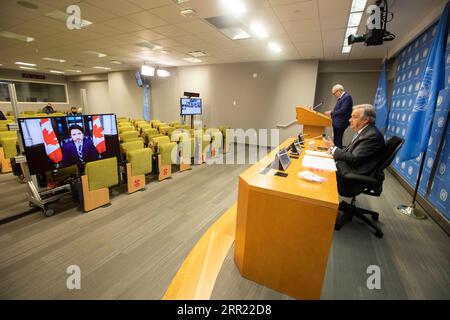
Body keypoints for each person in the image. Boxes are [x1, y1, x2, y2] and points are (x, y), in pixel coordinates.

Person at [323, 104, 385, 195]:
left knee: (321, 175)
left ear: (365, 120)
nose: (349, 120)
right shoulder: (364, 132)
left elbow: (354, 158)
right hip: (349, 167)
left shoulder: (372, 136)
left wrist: (333, 149)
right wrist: (333, 150)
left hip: (353, 174)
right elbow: (350, 151)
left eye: (354, 117)